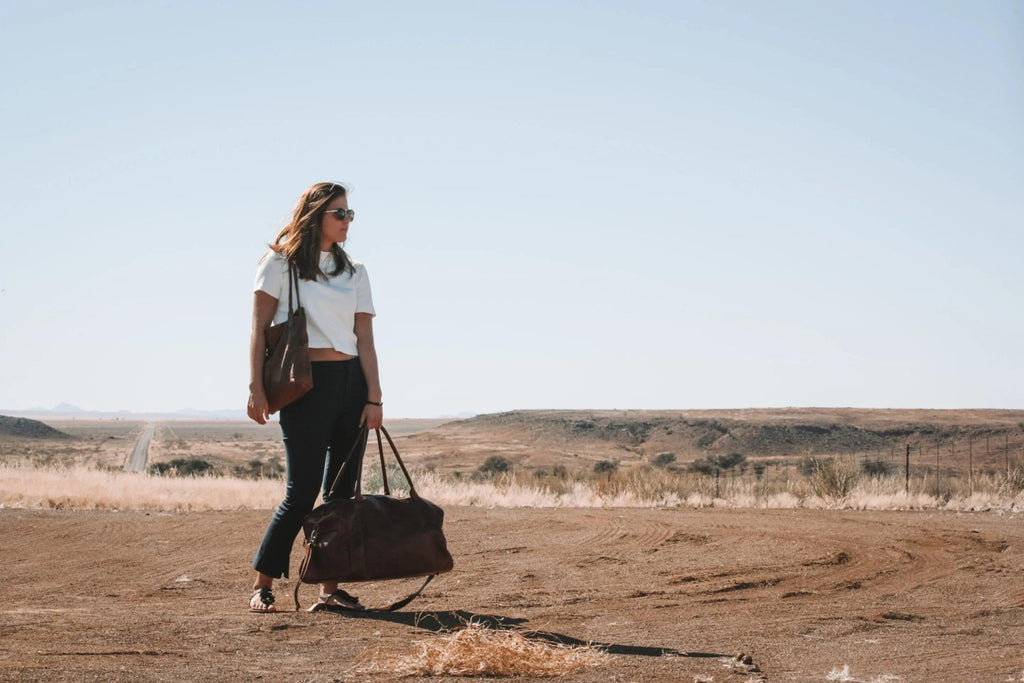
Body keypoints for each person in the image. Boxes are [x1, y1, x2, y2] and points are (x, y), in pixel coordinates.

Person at [246, 181, 383, 613]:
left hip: (351, 385)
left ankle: (328, 589)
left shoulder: (355, 272)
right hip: (303, 386)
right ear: (316, 215)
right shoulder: (279, 264)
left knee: (342, 494)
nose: (347, 222)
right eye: (339, 214)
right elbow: (257, 331)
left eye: (350, 214)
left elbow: (365, 338)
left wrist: (374, 397)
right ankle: (263, 583)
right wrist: (256, 387)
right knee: (301, 493)